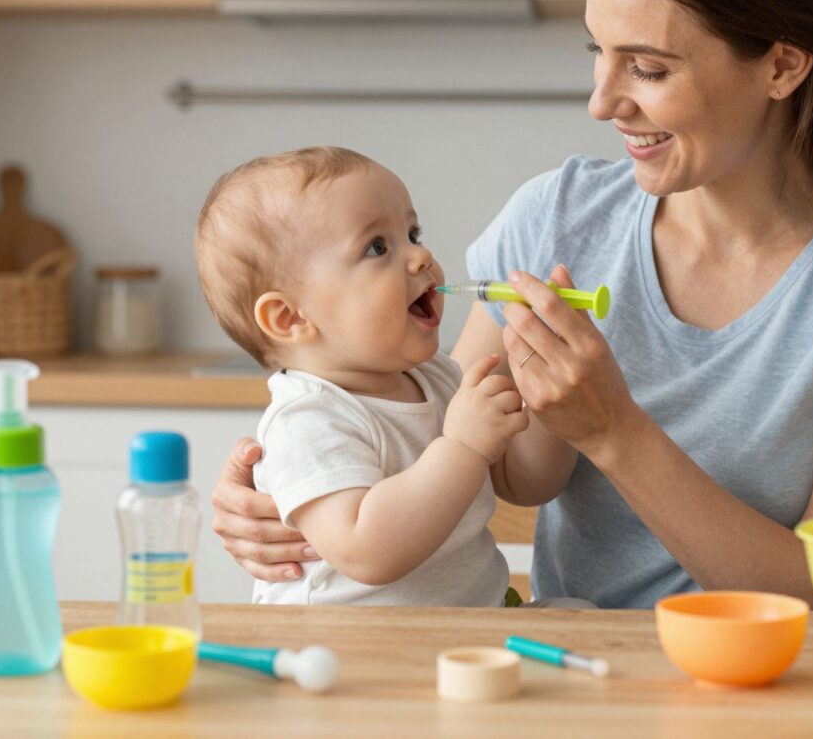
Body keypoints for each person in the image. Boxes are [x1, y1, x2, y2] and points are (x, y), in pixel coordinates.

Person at [209, 0, 813, 609]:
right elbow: (457, 452)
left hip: (788, 687)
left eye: (648, 68)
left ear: (783, 66)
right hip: (580, 674)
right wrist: (295, 498)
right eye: (599, 53)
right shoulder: (556, 219)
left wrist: (616, 432)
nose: (603, 100)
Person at [195, 147, 579, 606]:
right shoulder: (307, 419)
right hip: (351, 648)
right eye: (377, 246)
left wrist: (553, 399)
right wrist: (462, 448)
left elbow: (529, 484)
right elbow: (367, 551)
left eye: (412, 233)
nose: (420, 255)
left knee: (577, 616)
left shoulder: (437, 378)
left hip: (464, 628)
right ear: (290, 317)